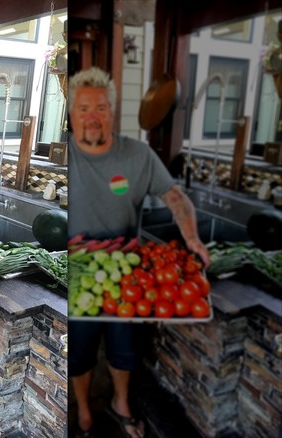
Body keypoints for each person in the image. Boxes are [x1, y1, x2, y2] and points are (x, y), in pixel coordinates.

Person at [67, 66, 210, 438]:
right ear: (72, 114)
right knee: (79, 350)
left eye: (101, 107)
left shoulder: (138, 156)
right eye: (83, 109)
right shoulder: (66, 155)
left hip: (127, 268)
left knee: (124, 346)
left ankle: (120, 402)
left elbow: (175, 198)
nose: (93, 116)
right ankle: (83, 408)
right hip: (76, 270)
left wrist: (192, 238)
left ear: (112, 112)